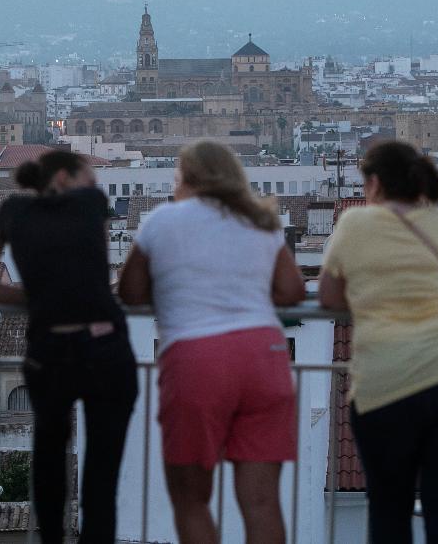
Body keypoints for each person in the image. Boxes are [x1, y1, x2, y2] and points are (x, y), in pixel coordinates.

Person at [118, 140, 306, 544]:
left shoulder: (162, 221)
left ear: (187, 178)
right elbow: (292, 291)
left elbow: (130, 292)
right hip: (263, 354)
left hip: (196, 357)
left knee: (191, 500)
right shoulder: (261, 222)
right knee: (262, 503)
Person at [318, 139, 438, 544]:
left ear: (376, 183)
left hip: (389, 381)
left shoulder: (354, 223)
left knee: (389, 507)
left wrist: (373, 292)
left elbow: (329, 298)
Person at [0, 150, 137, 544]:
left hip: (49, 349)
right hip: (105, 345)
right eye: (89, 178)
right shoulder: (93, 204)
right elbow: (91, 276)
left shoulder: (12, 214)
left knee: (48, 462)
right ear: (62, 177)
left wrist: (39, 299)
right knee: (102, 474)